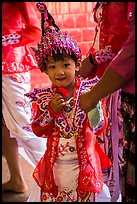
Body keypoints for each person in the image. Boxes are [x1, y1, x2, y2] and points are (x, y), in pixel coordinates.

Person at [25, 3, 113, 202]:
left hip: (84, 166)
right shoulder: (45, 98)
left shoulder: (89, 91)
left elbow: (99, 127)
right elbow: (38, 129)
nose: (60, 71)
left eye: (66, 64)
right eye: (53, 67)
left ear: (77, 64)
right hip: (56, 166)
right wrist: (50, 111)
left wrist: (93, 106)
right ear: (45, 71)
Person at [78, 2, 133, 202]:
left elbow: (123, 45)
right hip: (100, 77)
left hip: (115, 81)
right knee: (100, 139)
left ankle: (112, 194)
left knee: (114, 141)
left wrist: (92, 60)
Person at [2, 2, 47, 193]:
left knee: (25, 126)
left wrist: (5, 40)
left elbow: (35, 30)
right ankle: (16, 179)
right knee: (4, 125)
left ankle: (57, 181)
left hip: (12, 65)